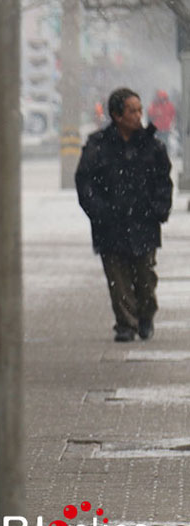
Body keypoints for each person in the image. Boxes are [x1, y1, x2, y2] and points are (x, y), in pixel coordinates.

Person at [75, 87, 172, 342]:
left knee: (145, 279)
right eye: (132, 111)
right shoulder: (99, 145)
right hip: (111, 224)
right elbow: (85, 182)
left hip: (144, 223)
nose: (138, 115)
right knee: (118, 281)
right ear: (117, 115)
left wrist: (159, 209)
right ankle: (125, 324)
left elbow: (163, 181)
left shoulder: (152, 145)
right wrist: (99, 212)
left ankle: (145, 315)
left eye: (139, 110)